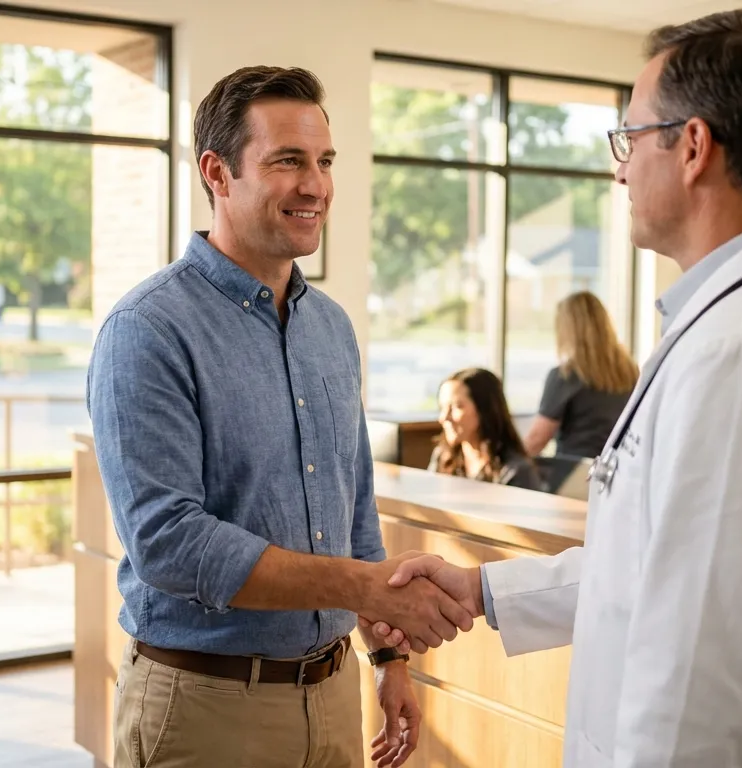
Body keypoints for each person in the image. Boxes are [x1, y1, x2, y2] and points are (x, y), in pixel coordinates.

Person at [373, 10, 742, 767]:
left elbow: (701, 683)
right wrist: (483, 591)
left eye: (629, 138)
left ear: (692, 147)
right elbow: (659, 565)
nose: (618, 169)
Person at [86, 66, 470, 768]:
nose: (315, 185)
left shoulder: (331, 328)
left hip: (332, 695)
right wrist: (361, 587)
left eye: (324, 162)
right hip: (204, 710)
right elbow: (168, 541)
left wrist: (387, 654)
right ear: (218, 173)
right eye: (287, 160)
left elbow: (353, 511)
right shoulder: (148, 329)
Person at [522, 291, 637, 460]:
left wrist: (504, 468)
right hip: (616, 472)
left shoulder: (565, 376)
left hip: (574, 475)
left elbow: (536, 440)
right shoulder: (631, 371)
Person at [428, 367, 540, 491]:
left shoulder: (514, 471)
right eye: (442, 407)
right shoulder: (443, 457)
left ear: (484, 410)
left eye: (457, 407)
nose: (443, 418)